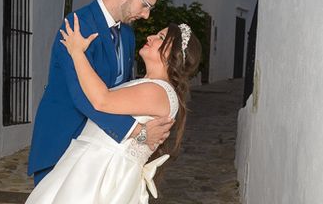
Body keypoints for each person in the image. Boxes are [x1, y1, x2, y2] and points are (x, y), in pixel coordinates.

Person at [26, 15, 201, 204]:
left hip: (102, 173)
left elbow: (102, 100)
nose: (151, 36)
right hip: (89, 164)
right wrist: (139, 132)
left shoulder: (159, 91)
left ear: (172, 54)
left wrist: (77, 52)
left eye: (160, 37)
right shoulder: (147, 84)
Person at [28, 0, 173, 185]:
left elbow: (119, 94)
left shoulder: (127, 34)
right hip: (62, 142)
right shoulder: (78, 26)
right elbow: (83, 97)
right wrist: (139, 131)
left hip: (98, 151)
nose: (146, 15)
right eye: (146, 5)